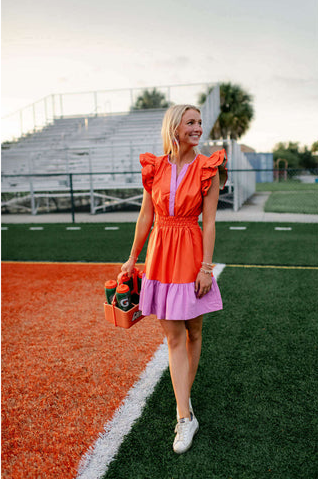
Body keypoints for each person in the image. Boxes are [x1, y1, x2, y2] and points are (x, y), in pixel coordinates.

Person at [119, 104, 227, 454]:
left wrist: (206, 267)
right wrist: (132, 258)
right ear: (174, 127)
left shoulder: (208, 167)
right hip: (161, 254)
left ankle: (185, 397)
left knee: (194, 330)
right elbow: (145, 216)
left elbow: (208, 221)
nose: (198, 127)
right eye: (191, 122)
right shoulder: (156, 168)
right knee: (173, 336)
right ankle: (185, 415)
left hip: (192, 253)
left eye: (199, 122)